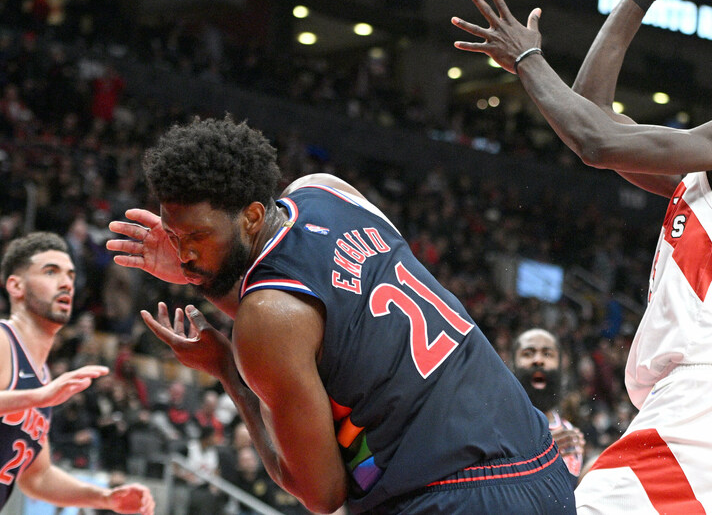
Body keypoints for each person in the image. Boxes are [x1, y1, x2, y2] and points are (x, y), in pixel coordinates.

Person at [452, 0, 712, 514]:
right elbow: (594, 117)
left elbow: (595, 139)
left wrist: (528, 60)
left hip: (703, 414)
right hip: (699, 417)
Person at [107, 116, 575, 514]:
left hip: (448, 497)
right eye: (172, 232)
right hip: (542, 468)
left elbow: (321, 494)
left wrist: (226, 368)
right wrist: (201, 275)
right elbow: (319, 306)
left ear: (250, 216)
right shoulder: (327, 192)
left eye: (197, 236)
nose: (183, 251)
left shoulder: (267, 320)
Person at [0, 231, 155, 514]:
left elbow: (38, 476)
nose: (66, 283)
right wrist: (38, 397)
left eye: (71, 275)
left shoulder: (42, 376)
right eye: (51, 272)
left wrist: (105, 498)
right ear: (16, 286)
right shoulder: (2, 341)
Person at [512, 328, 586, 478]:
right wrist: (544, 455)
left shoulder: (568, 432)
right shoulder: (496, 424)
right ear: (513, 364)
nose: (538, 360)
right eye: (528, 353)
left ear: (560, 365)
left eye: (547, 354)